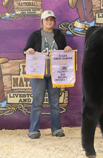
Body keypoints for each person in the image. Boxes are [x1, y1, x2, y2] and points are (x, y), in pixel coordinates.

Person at [24, 10, 73, 139]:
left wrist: (67, 50)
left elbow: (63, 52)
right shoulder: (35, 35)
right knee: (37, 103)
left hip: (55, 73)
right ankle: (34, 129)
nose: (49, 22)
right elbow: (26, 50)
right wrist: (29, 50)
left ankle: (56, 128)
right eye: (47, 19)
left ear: (54, 22)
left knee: (55, 103)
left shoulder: (59, 35)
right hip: (38, 74)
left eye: (51, 19)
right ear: (42, 21)